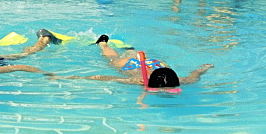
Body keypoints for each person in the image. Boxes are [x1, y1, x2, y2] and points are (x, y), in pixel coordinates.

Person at [77, 34, 214, 88]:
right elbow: (104, 78)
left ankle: (106, 44)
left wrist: (204, 68)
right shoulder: (139, 81)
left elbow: (104, 78)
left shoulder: (181, 80)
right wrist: (204, 68)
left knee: (121, 57)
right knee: (113, 60)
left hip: (152, 63)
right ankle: (103, 44)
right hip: (134, 65)